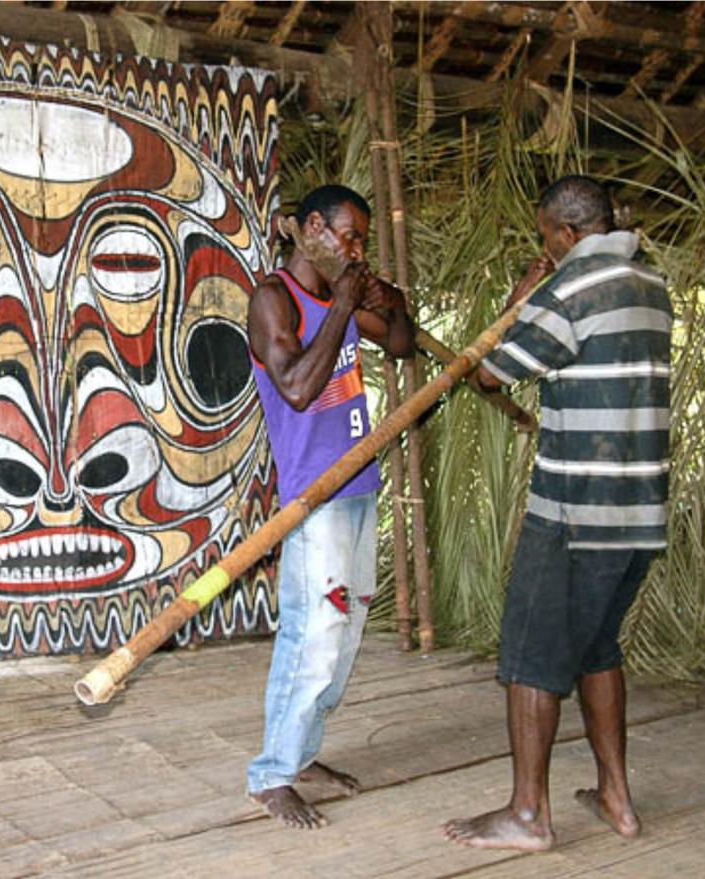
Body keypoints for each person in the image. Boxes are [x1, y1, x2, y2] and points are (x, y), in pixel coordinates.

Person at [446, 176, 672, 851]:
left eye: (546, 233)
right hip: (640, 510)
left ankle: (527, 814)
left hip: (575, 511)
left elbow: (490, 372)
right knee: (596, 647)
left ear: (565, 233)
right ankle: (616, 797)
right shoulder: (650, 286)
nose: (544, 244)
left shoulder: (568, 290)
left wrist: (522, 296)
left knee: (530, 656)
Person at [242, 184, 416, 828]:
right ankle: (272, 774)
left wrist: (389, 302)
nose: (355, 249)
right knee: (312, 634)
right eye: (348, 237)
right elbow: (295, 387)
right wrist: (343, 307)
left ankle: (302, 751)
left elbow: (400, 344)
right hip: (314, 494)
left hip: (358, 484)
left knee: (344, 637)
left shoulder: (334, 294)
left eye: (361, 240)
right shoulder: (273, 299)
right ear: (311, 228)